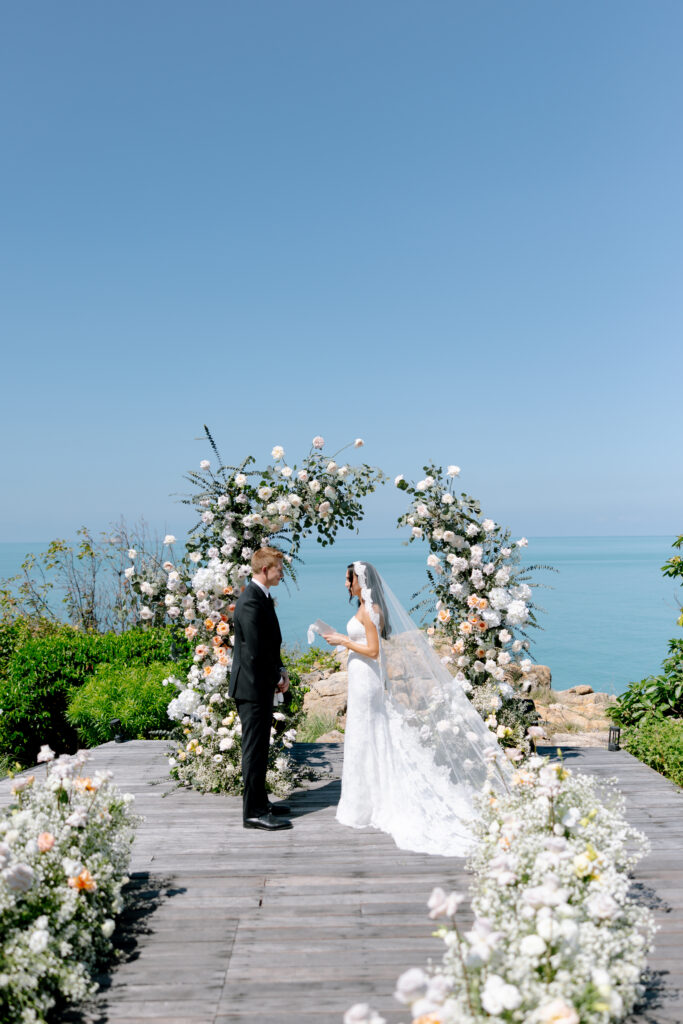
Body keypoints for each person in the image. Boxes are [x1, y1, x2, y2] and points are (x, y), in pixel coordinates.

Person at [319, 561, 508, 856]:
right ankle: (363, 800)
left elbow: (373, 650)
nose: (346, 584)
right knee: (362, 736)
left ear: (361, 582)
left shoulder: (372, 611)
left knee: (367, 732)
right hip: (359, 678)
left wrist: (341, 640)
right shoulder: (363, 607)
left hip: (367, 679)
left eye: (349, 579)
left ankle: (367, 804)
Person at [229, 547, 293, 831]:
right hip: (251, 688)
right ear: (265, 570)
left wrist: (280, 670)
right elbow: (254, 652)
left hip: (260, 684)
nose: (282, 573)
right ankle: (252, 812)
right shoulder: (250, 602)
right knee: (253, 750)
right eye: (279, 568)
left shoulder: (262, 597)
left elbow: (270, 645)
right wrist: (276, 679)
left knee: (260, 749)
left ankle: (261, 801)